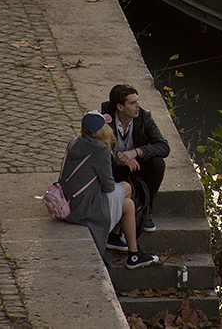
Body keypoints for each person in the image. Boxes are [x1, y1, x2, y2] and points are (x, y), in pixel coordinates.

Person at [60, 111, 160, 269]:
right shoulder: (101, 151)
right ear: (101, 131)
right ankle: (130, 251)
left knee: (127, 204)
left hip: (68, 200)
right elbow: (108, 187)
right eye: (105, 125)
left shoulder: (74, 143)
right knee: (127, 191)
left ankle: (126, 247)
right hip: (83, 208)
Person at [100, 84, 170, 232]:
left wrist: (136, 152)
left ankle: (147, 211)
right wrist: (120, 156)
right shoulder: (104, 119)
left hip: (136, 165)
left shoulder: (144, 117)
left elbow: (164, 147)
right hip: (114, 167)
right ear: (120, 106)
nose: (138, 106)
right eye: (132, 103)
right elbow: (98, 150)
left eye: (137, 101)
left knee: (158, 164)